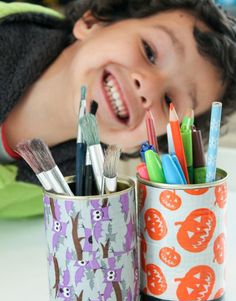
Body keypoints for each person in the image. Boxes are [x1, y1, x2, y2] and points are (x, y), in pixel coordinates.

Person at [0, 0, 236, 218]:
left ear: (141, 142)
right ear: (92, 22)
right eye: (149, 51)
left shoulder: (70, 201)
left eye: (167, 100)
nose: (148, 88)